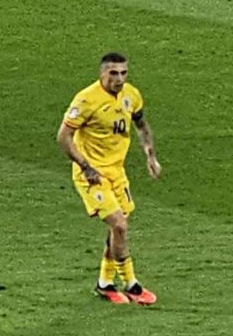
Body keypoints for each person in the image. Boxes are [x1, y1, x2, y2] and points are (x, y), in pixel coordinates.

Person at [57, 52, 160, 305]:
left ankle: (104, 283)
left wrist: (150, 156)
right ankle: (132, 285)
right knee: (120, 226)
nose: (119, 78)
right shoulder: (86, 100)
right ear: (102, 73)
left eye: (123, 73)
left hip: (117, 172)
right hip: (90, 173)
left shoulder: (131, 96)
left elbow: (141, 125)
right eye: (113, 73)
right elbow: (63, 137)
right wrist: (85, 166)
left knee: (119, 228)